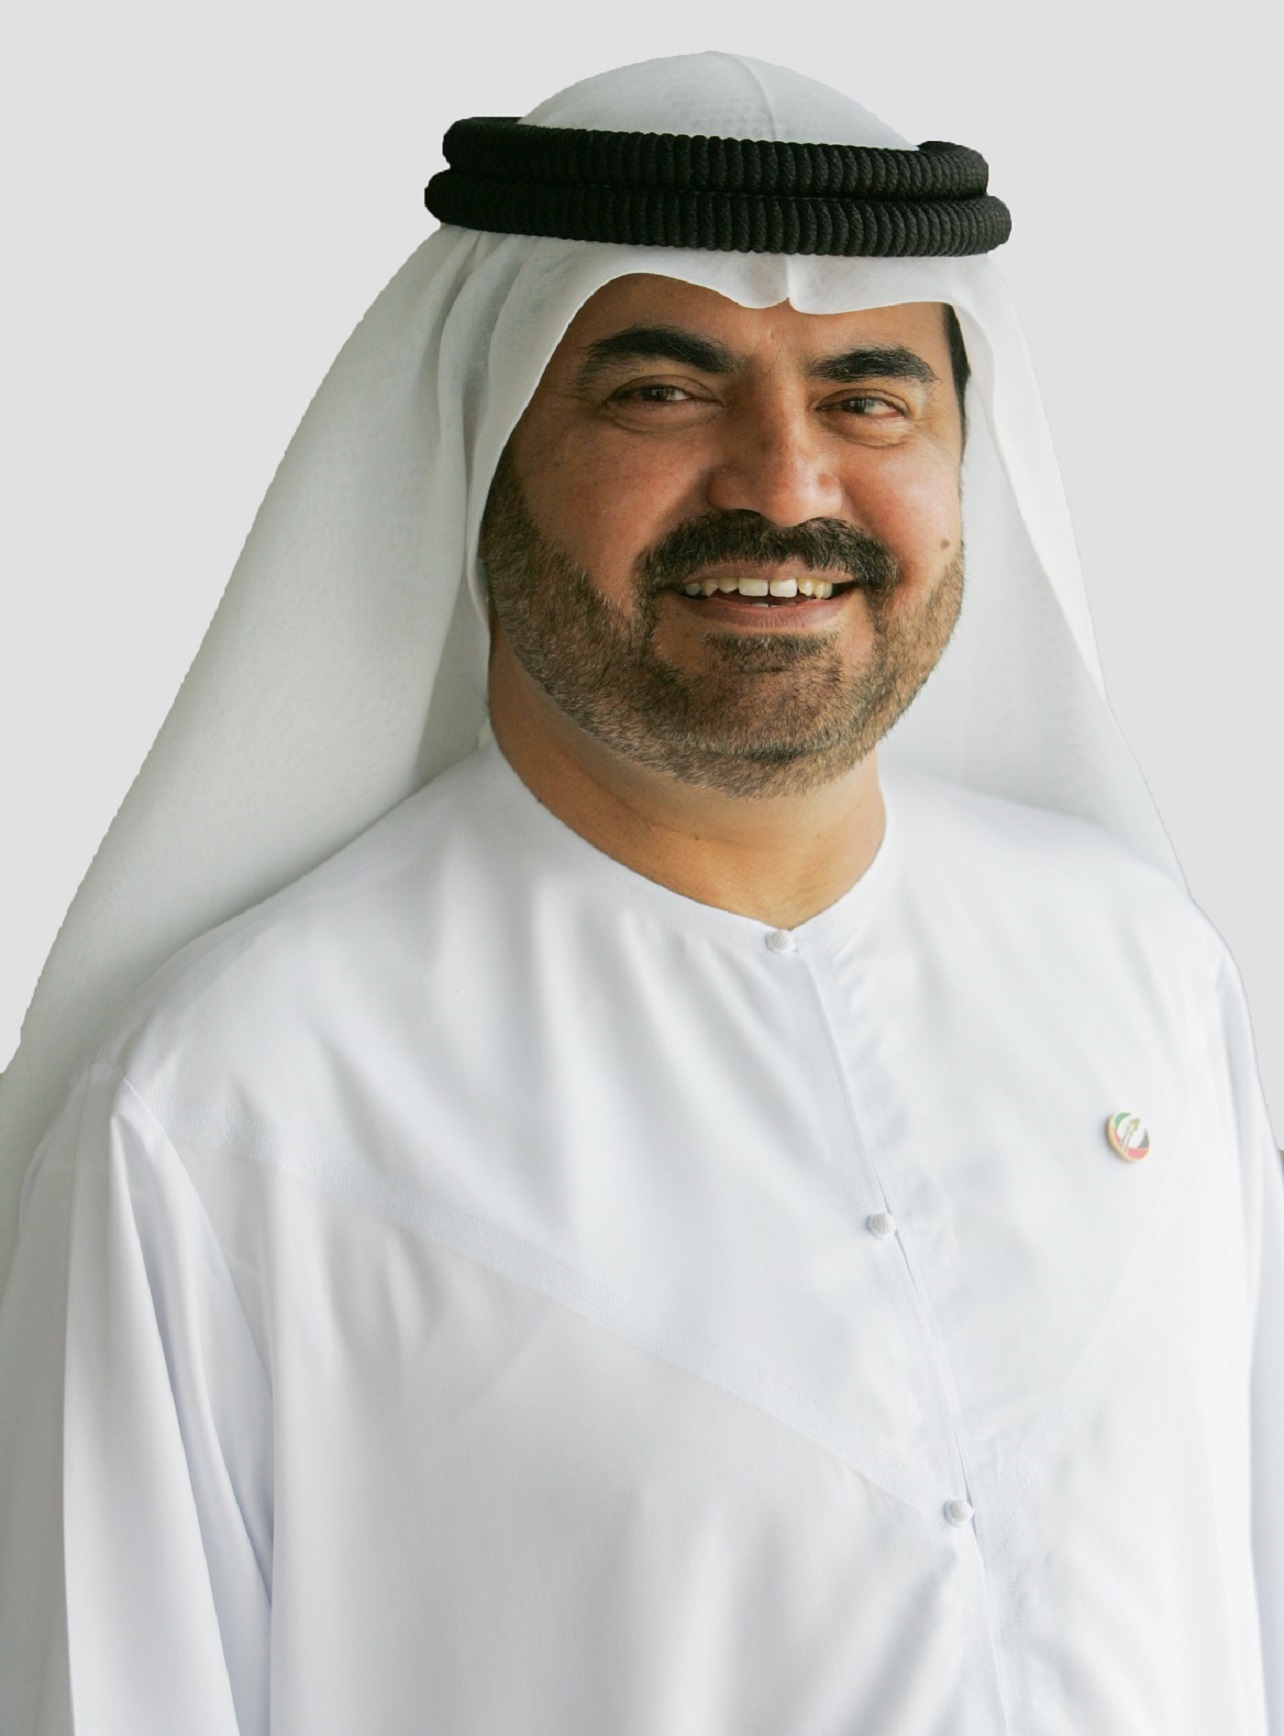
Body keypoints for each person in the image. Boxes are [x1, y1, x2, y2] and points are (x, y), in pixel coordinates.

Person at [0, 50, 1279, 1736]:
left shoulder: (1144, 974)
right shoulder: (227, 1112)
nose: (786, 485)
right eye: (664, 393)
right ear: (484, 450)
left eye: (871, 398)